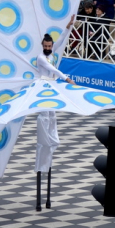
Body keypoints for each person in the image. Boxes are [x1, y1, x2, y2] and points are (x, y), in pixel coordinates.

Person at [35, 16, 76, 178]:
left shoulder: (51, 53)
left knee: (52, 115)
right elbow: (54, 69)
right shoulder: (41, 58)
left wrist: (68, 27)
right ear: (42, 46)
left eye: (49, 46)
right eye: (45, 46)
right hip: (44, 85)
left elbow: (60, 40)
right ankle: (46, 141)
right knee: (45, 115)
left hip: (51, 86)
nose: (47, 48)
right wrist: (66, 78)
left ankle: (51, 141)